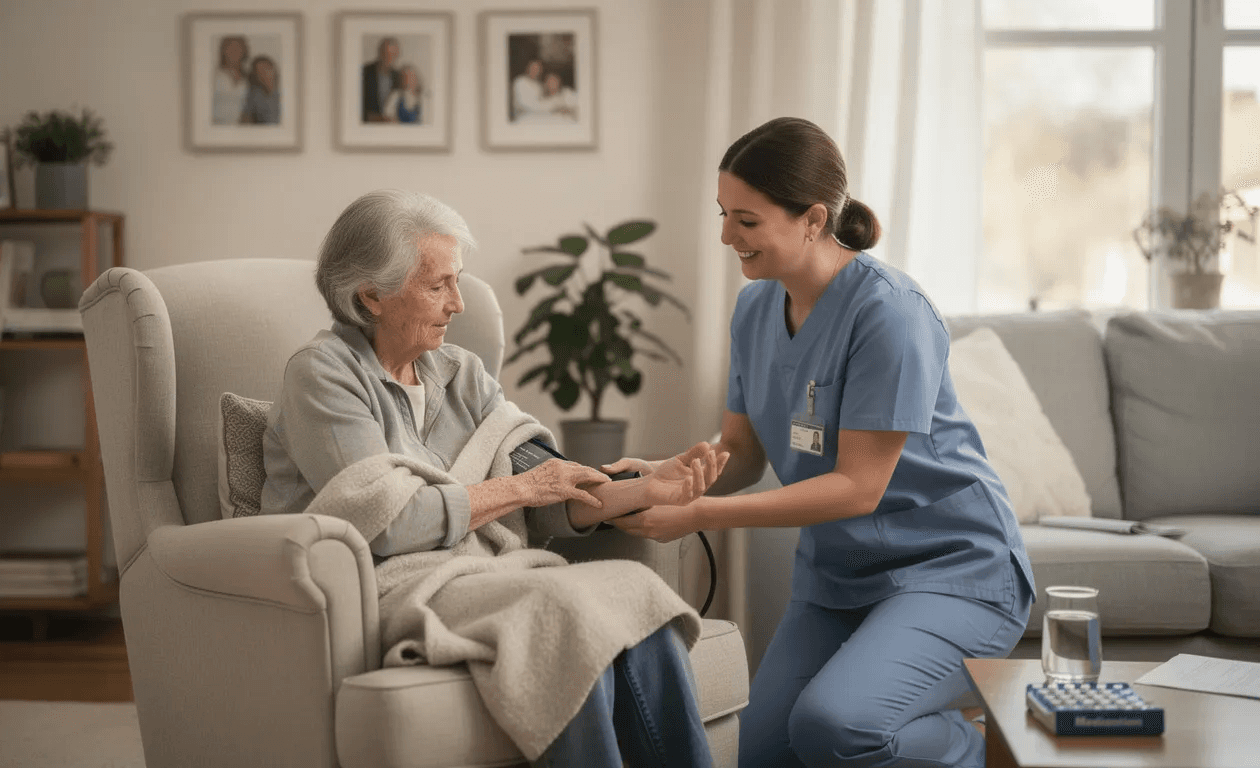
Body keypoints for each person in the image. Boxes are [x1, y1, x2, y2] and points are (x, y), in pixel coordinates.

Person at [607, 116, 1037, 768]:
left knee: (834, 729)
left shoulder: (891, 313)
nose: (726, 236)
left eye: (746, 221)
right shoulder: (755, 310)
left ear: (811, 219)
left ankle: (993, 748)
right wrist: (667, 474)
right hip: (838, 579)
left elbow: (858, 488)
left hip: (953, 570)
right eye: (724, 215)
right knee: (760, 755)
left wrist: (698, 514)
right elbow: (742, 453)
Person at [260, 189, 727, 768]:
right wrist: (523, 489)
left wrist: (642, 490)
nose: (458, 303)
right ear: (371, 296)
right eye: (438, 285)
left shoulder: (461, 373)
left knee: (639, 596)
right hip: (390, 583)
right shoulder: (322, 375)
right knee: (564, 611)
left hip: (486, 571)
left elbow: (544, 481)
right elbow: (385, 522)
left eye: (458, 281)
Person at [362, 37, 400, 123]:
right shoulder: (365, 72)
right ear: (379, 53)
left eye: (392, 55)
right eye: (385, 54)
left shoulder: (398, 77)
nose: (388, 58)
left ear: (397, 56)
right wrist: (374, 118)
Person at [212, 35, 249, 125]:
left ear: (244, 51)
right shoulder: (214, 75)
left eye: (238, 47)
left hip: (239, 130)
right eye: (230, 47)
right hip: (215, 128)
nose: (234, 51)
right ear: (223, 51)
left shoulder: (248, 78)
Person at [240, 55, 281, 125]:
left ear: (274, 69)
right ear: (256, 77)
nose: (264, 73)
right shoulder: (255, 94)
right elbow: (245, 118)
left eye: (266, 68)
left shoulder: (286, 90)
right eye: (259, 71)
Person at [510, 57, 545, 122]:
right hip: (522, 117)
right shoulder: (520, 81)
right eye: (533, 68)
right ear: (528, 68)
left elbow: (542, 101)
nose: (535, 70)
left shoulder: (539, 85)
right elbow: (524, 105)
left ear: (541, 71)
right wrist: (550, 107)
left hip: (538, 117)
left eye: (537, 68)